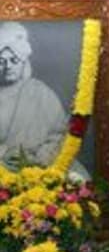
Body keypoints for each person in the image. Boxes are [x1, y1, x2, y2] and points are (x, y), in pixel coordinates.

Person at [0, 21, 86, 177]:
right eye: (1, 61)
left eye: (14, 60)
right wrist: (4, 153)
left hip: (41, 166)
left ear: (24, 62)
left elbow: (60, 134)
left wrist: (40, 159)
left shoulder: (41, 93)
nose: (8, 66)